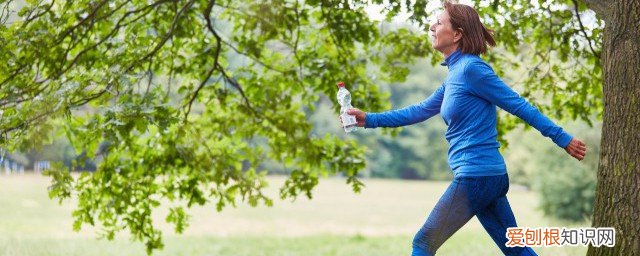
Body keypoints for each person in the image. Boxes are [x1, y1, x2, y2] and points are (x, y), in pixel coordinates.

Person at [345, 2, 587, 256]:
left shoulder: (472, 69)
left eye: (439, 23)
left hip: (477, 175)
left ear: (457, 34)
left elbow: (518, 105)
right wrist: (368, 119)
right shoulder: (455, 75)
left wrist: (563, 139)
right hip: (486, 176)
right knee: (516, 249)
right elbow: (419, 110)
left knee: (423, 242)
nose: (431, 27)